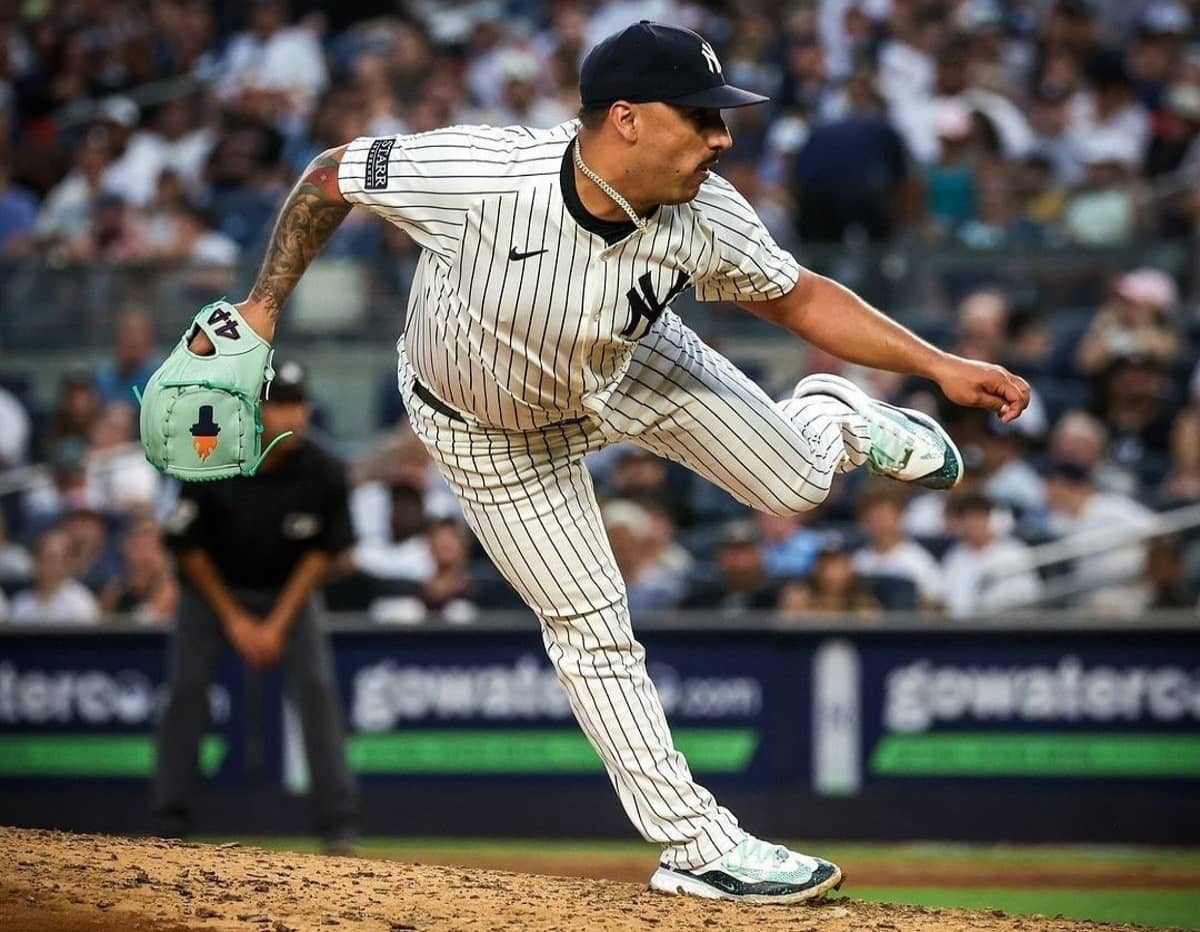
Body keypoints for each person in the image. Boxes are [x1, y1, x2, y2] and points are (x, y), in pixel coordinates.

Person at [183, 21, 1029, 904]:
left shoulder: (706, 211)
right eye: (700, 116)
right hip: (488, 429)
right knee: (591, 629)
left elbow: (801, 297)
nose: (722, 137)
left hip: (627, 366)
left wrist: (938, 364)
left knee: (801, 482)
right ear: (625, 117)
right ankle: (696, 845)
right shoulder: (484, 175)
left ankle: (833, 415)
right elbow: (332, 172)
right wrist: (264, 305)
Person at [153, 360, 357, 851]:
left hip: (289, 591)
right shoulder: (213, 456)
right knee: (186, 691)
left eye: (299, 403)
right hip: (212, 594)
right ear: (256, 410)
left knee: (317, 689)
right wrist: (238, 622)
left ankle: (338, 826)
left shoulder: (324, 470)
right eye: (281, 404)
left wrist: (277, 622)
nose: (294, 417)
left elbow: (324, 554)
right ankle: (168, 822)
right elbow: (187, 547)